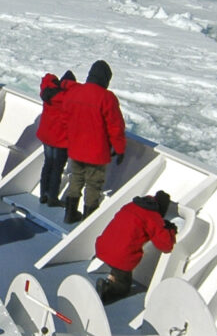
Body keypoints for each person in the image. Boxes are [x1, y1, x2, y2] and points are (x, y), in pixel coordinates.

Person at [59, 60, 126, 222]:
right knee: (93, 184)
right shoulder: (107, 98)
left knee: (76, 178)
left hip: (75, 148)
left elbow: (65, 117)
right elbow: (115, 126)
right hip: (96, 151)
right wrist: (120, 148)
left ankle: (69, 214)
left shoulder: (75, 92)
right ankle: (88, 219)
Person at [94, 192, 177, 304]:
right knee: (124, 287)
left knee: (119, 260)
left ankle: (111, 279)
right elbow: (166, 246)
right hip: (120, 256)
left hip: (102, 247)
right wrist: (171, 230)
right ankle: (106, 291)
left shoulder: (132, 205)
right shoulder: (153, 216)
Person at [35, 71, 76, 206]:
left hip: (46, 136)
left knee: (48, 164)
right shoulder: (68, 99)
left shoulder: (48, 93)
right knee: (57, 168)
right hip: (60, 139)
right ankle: (52, 197)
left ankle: (43, 195)